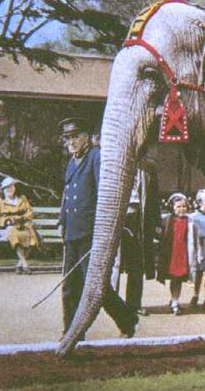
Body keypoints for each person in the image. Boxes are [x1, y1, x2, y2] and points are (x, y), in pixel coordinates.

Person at [58, 117, 137, 339]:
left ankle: (126, 319)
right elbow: (68, 197)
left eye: (75, 137)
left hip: (91, 233)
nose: (70, 142)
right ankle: (71, 332)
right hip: (73, 232)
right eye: (67, 138)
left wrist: (104, 231)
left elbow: (105, 194)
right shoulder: (71, 162)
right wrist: (62, 222)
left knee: (95, 286)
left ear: (87, 137)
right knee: (70, 286)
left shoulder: (96, 158)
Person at [120, 164, 159, 316]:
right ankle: (108, 303)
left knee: (136, 264)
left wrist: (156, 223)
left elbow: (154, 199)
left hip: (140, 219)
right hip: (120, 217)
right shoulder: (117, 166)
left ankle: (133, 304)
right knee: (111, 265)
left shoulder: (148, 171)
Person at [157, 192, 197, 316]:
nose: (181, 209)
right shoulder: (168, 221)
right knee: (173, 278)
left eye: (184, 206)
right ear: (172, 208)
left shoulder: (190, 222)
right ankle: (174, 300)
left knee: (178, 279)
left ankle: (175, 301)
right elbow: (160, 236)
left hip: (183, 255)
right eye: (178, 207)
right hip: (171, 254)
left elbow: (194, 239)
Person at [0, 177, 39, 275]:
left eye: (12, 186)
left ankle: (19, 264)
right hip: (6, 228)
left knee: (32, 235)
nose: (10, 189)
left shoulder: (22, 199)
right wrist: (7, 220)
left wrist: (22, 218)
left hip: (22, 224)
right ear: (3, 190)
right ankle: (25, 265)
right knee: (14, 234)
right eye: (7, 187)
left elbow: (30, 212)